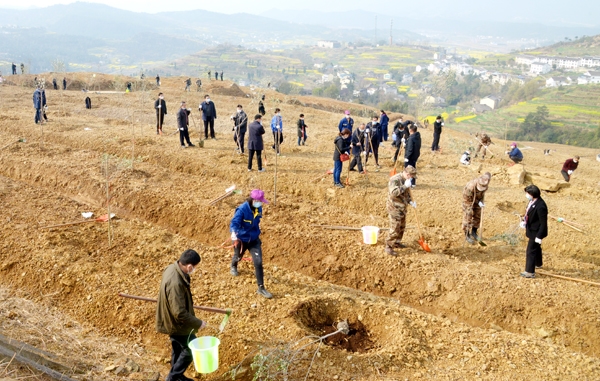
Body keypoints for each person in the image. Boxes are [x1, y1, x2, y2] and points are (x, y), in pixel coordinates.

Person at [156, 249, 206, 381]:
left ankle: (177, 376)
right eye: (194, 267)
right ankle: (173, 377)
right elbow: (179, 312)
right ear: (189, 266)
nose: (194, 270)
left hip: (170, 319)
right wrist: (198, 323)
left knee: (177, 347)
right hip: (175, 323)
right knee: (191, 349)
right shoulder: (175, 283)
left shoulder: (172, 267)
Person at [229, 189, 273, 299]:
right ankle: (233, 265)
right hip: (241, 239)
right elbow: (234, 223)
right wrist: (234, 235)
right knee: (238, 256)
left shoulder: (258, 208)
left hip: (253, 239)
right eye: (259, 201)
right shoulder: (242, 209)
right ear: (253, 200)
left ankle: (261, 288)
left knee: (258, 262)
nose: (260, 203)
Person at [386, 166, 417, 255]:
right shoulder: (395, 179)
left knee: (402, 226)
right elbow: (393, 193)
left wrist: (410, 201)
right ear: (408, 174)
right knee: (395, 227)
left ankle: (397, 242)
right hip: (394, 207)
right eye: (411, 177)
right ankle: (389, 246)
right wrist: (404, 186)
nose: (411, 179)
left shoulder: (406, 180)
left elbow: (406, 194)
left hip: (402, 207)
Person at [520, 185, 548, 278]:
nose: (526, 195)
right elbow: (528, 213)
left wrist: (539, 236)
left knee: (531, 250)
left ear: (532, 194)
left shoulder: (541, 206)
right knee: (537, 248)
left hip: (536, 232)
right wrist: (524, 222)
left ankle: (529, 271)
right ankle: (538, 263)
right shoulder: (532, 201)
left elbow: (543, 223)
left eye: (527, 193)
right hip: (532, 229)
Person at [462, 173, 491, 244]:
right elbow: (468, 199)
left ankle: (474, 232)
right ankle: (467, 234)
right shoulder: (470, 187)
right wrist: (477, 202)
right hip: (468, 200)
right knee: (468, 215)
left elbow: (482, 194)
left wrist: (480, 202)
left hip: (477, 200)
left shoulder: (485, 185)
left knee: (478, 214)